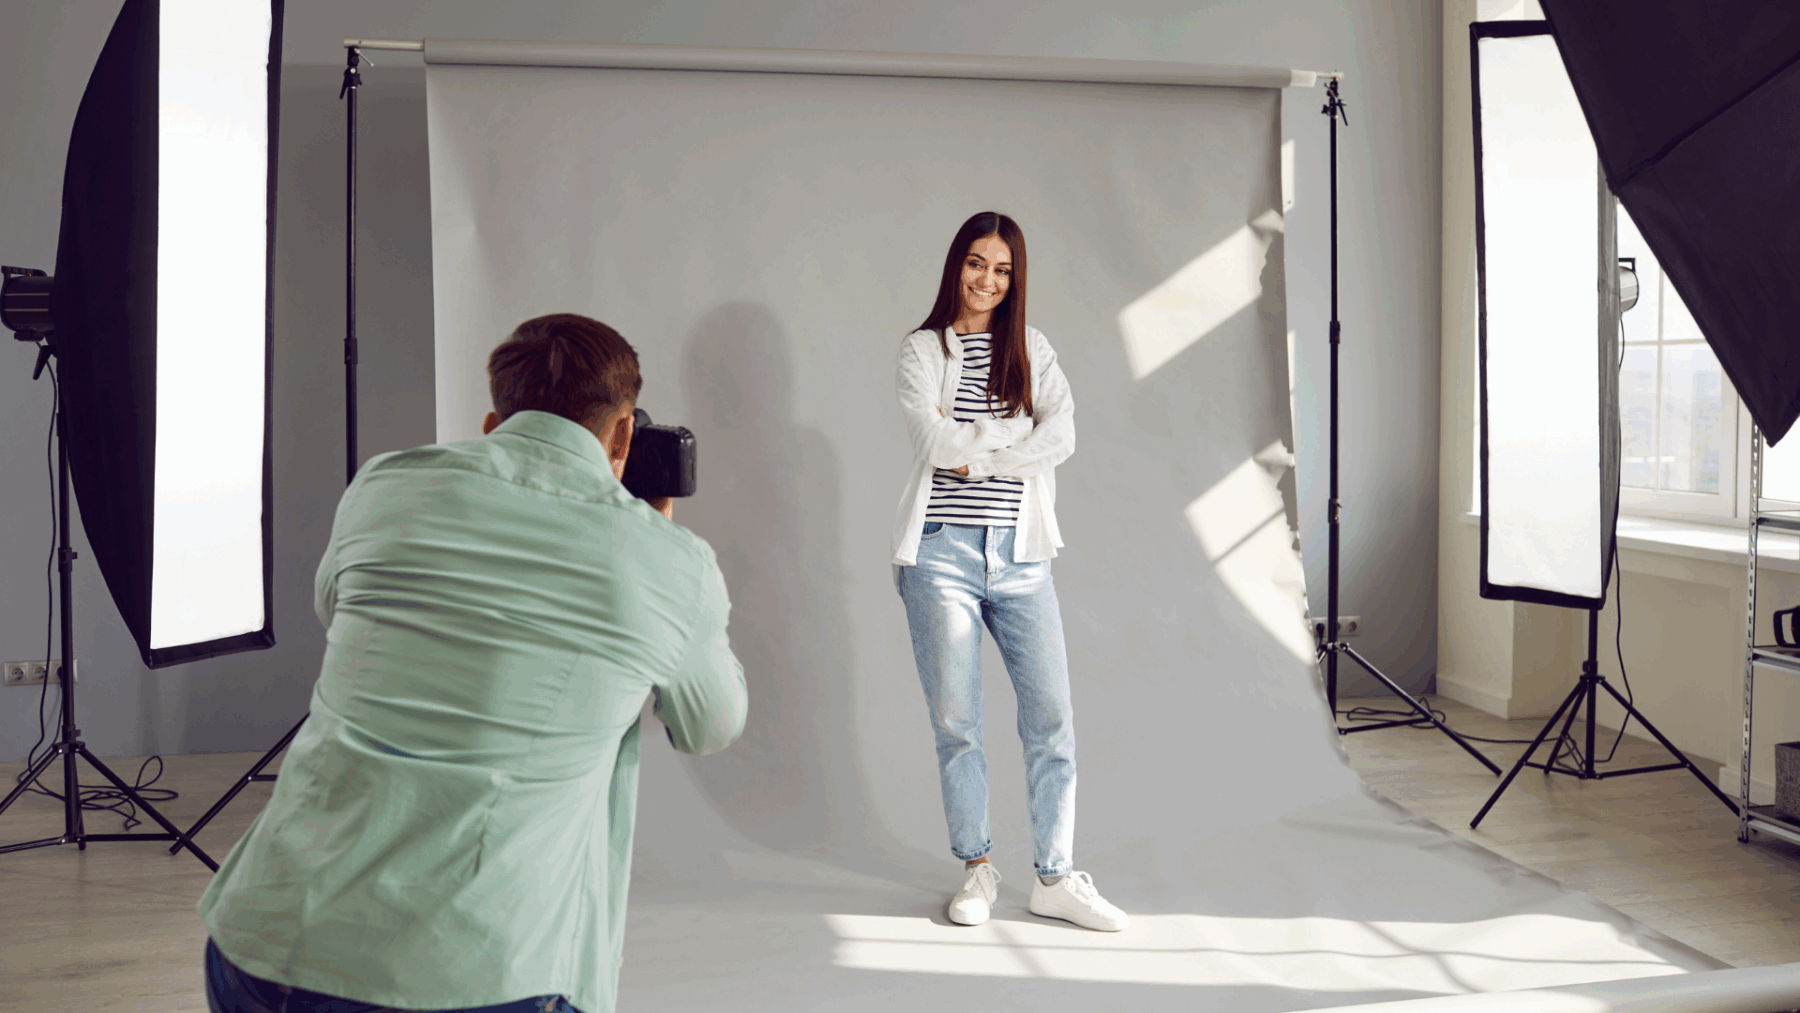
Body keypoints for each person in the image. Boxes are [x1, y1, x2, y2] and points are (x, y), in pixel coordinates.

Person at [197, 313, 747, 1013]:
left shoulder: (383, 486)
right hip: (472, 980)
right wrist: (662, 565)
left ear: (493, 422)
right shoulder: (670, 565)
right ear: (624, 434)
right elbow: (712, 724)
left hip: (262, 945)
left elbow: (338, 610)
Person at [891, 212, 1128, 932]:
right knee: (957, 721)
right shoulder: (922, 350)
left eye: (1002, 269)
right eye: (975, 263)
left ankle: (1054, 876)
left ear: (1015, 278)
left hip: (1022, 555)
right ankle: (976, 868)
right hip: (941, 555)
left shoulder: (1033, 348)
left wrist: (981, 449)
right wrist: (1012, 435)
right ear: (954, 265)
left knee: (1051, 717)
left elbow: (1064, 434)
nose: (986, 280)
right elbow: (932, 442)